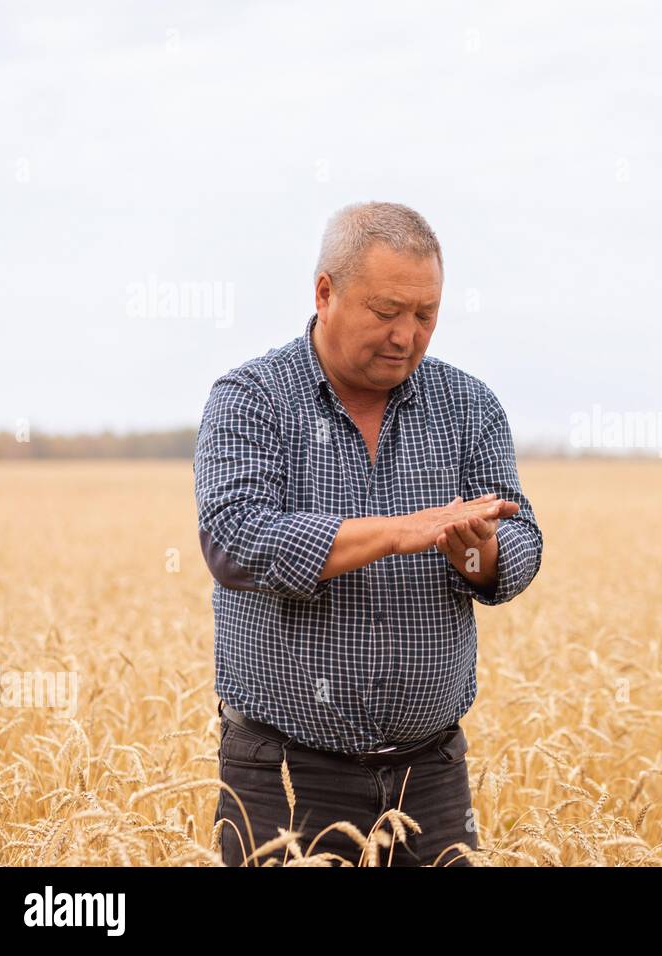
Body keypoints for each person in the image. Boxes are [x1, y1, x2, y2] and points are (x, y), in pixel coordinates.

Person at [194, 201, 543, 866]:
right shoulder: (252, 397)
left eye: (425, 315)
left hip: (431, 777)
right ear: (325, 292)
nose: (406, 335)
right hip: (282, 774)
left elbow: (522, 537)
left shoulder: (469, 406)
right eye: (387, 312)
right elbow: (238, 537)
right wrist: (397, 533)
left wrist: (484, 555)